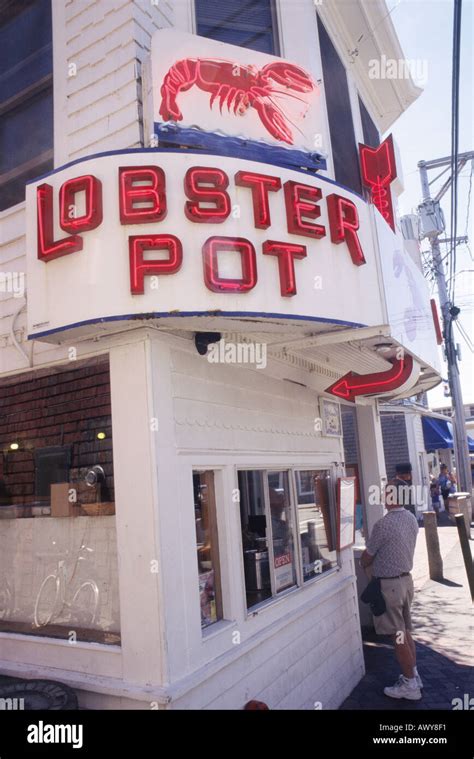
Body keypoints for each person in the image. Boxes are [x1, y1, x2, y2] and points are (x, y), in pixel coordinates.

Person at [360, 481, 421, 701]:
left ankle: (410, 685)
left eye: (386, 493)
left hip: (390, 587)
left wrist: (364, 564)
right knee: (405, 632)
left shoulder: (384, 524)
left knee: (398, 637)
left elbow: (367, 555)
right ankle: (413, 675)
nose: (383, 496)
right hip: (406, 582)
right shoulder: (411, 519)